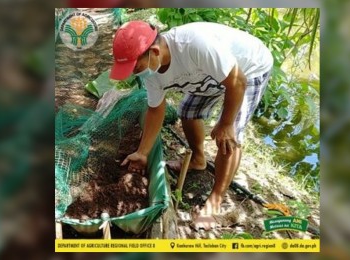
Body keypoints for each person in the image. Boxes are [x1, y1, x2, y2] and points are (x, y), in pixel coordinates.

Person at [110, 20, 273, 230]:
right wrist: (142, 152)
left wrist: (226, 123)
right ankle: (198, 160)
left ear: (155, 51)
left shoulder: (194, 45)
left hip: (247, 70)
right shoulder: (150, 70)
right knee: (188, 111)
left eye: (135, 67)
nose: (135, 73)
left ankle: (214, 202)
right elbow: (155, 109)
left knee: (228, 138)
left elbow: (236, 81)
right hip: (209, 75)